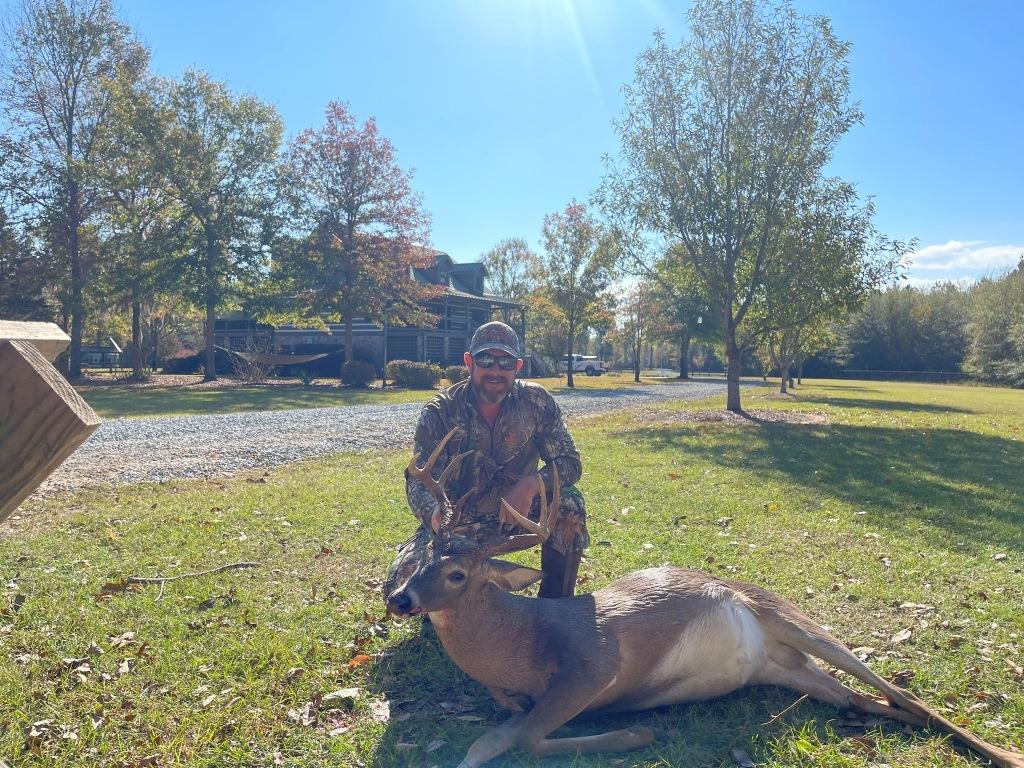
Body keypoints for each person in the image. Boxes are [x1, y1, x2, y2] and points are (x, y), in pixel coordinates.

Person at [384, 321, 589, 602]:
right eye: (486, 359)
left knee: (569, 503)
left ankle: (557, 603)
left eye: (505, 361)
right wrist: (434, 514)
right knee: (400, 585)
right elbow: (416, 480)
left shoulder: (536, 401)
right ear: (469, 362)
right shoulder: (440, 411)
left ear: (517, 366)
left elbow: (569, 462)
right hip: (456, 525)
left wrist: (530, 485)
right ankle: (468, 595)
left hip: (518, 515)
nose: (495, 370)